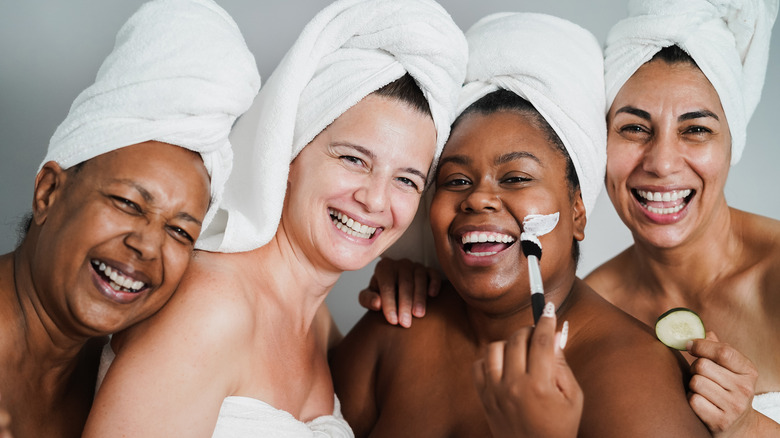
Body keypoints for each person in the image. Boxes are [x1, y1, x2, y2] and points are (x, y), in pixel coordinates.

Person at [82, 0, 467, 436]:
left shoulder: (319, 325)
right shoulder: (212, 308)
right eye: (354, 159)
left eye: (407, 180)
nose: (376, 199)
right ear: (289, 152)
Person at [330, 12, 710, 437]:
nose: (478, 198)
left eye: (515, 178)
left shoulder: (637, 375)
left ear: (578, 212)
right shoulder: (395, 330)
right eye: (456, 181)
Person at [0, 0, 260, 436]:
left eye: (180, 230)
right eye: (128, 204)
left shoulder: (125, 384)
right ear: (48, 191)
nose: (147, 245)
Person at [585, 0, 780, 434]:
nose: (662, 162)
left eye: (695, 130)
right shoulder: (586, 309)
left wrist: (749, 427)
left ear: (733, 143)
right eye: (634, 128)